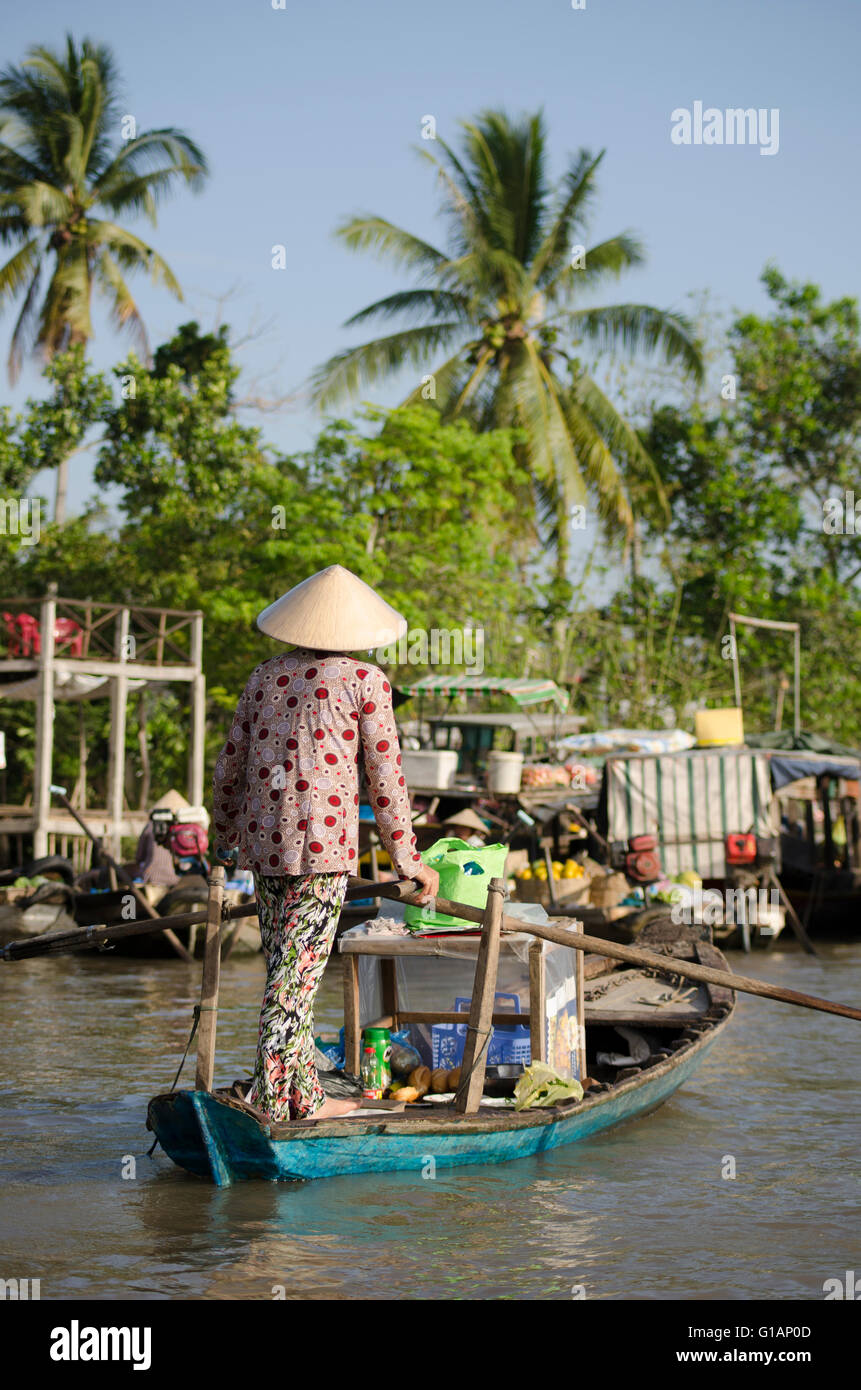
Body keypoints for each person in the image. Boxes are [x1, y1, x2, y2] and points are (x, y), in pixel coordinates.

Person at [212, 565, 439, 1121]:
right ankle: (278, 1103)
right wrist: (407, 858)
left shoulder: (264, 677)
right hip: (321, 849)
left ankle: (301, 1095)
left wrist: (223, 843)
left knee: (287, 974)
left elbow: (228, 770)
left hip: (265, 846)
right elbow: (385, 778)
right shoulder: (365, 681)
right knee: (294, 979)